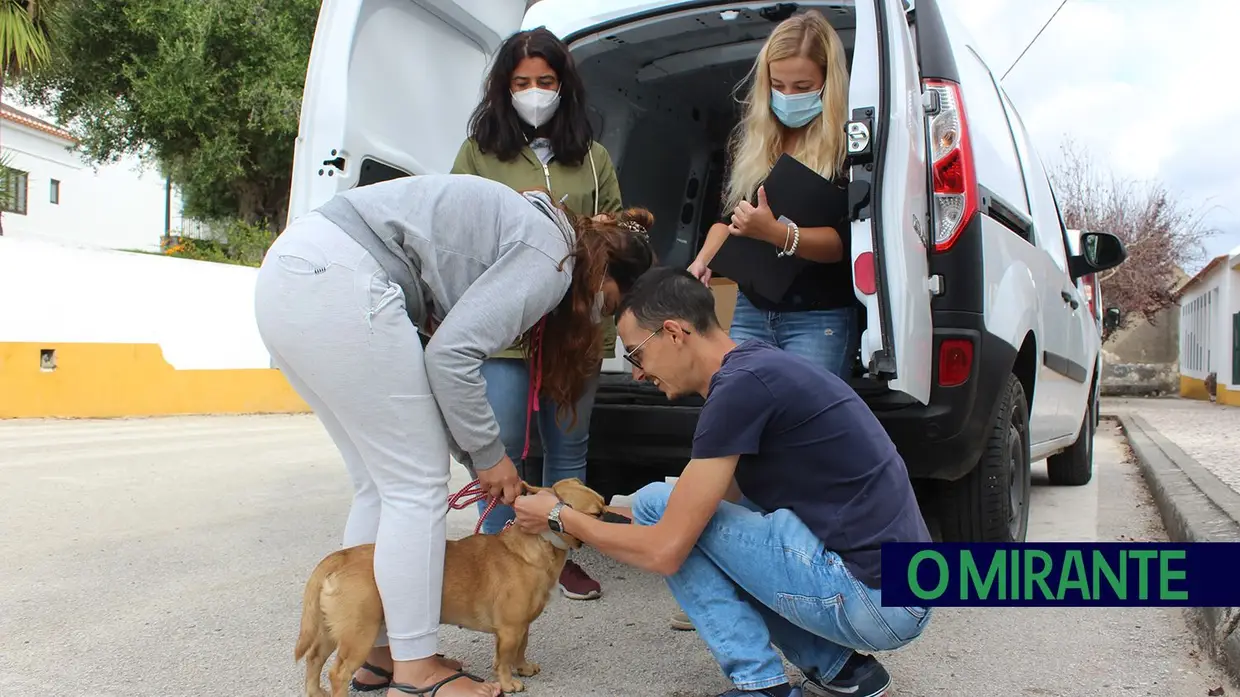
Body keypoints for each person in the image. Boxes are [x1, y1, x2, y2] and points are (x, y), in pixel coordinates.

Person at [254, 174, 654, 697]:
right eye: (609, 303)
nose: (598, 315)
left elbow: (435, 364)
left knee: (381, 484)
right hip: (340, 279)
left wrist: (478, 460)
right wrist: (491, 457)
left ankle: (380, 655)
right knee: (416, 488)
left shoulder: (533, 230)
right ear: (603, 273)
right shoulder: (551, 258)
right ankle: (417, 674)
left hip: (297, 278)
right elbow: (451, 359)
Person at [512, 267, 934, 697]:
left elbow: (665, 549)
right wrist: (608, 515)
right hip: (902, 588)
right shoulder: (756, 370)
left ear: (674, 333)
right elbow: (716, 510)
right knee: (672, 511)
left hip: (876, 598)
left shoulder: (739, 390)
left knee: (661, 504)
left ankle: (759, 685)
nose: (637, 373)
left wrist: (559, 517)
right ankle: (843, 670)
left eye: (637, 354)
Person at [450, 26, 624, 601]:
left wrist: (607, 284)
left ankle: (558, 550)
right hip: (504, 330)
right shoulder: (479, 152)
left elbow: (620, 234)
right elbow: (454, 228)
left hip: (574, 334)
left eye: (545, 81)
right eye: (521, 81)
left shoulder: (593, 159)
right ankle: (495, 558)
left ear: (563, 86)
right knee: (503, 447)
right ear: (504, 87)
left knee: (569, 449)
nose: (534, 91)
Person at [687, 10, 860, 379]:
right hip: (753, 308)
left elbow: (843, 245)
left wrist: (776, 233)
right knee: (744, 412)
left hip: (820, 315)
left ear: (829, 83)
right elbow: (728, 221)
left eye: (801, 87)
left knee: (804, 423)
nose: (787, 96)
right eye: (778, 85)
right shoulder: (751, 140)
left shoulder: (847, 145)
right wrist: (703, 261)